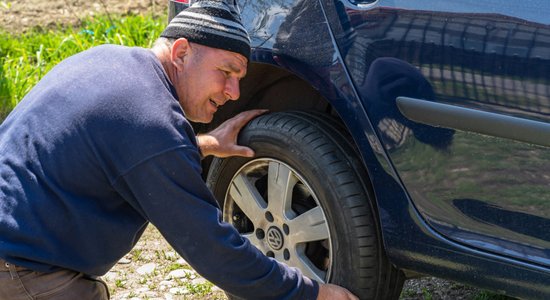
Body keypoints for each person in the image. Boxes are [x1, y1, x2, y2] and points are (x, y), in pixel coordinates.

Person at [0, 1, 358, 299]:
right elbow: (212, 248)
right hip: (20, 269)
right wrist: (312, 293)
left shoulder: (113, 64)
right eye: (227, 71)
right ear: (182, 52)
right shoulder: (149, 121)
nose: (233, 92)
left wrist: (202, 145)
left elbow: (117, 154)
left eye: (240, 79)